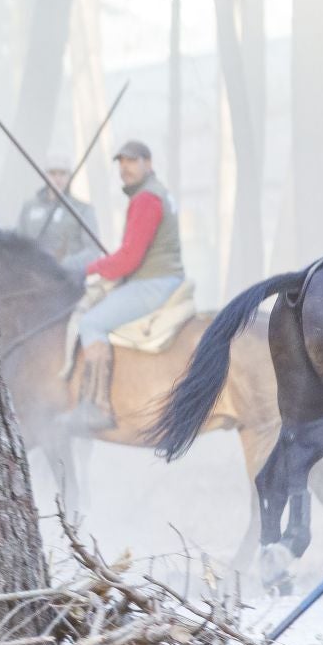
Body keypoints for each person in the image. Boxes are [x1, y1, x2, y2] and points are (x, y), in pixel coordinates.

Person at [71, 141, 185, 431]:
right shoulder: (157, 192)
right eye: (121, 162)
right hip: (163, 277)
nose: (125, 168)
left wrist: (87, 269)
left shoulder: (146, 199)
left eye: (132, 161)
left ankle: (97, 407)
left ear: (148, 162)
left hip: (152, 283)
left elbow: (129, 259)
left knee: (91, 322)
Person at [16, 159, 99, 270]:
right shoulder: (29, 207)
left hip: (67, 280)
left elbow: (93, 251)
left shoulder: (82, 210)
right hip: (32, 278)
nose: (57, 178)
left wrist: (63, 265)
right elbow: (17, 243)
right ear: (45, 175)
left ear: (70, 176)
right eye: (53, 173)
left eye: (62, 174)